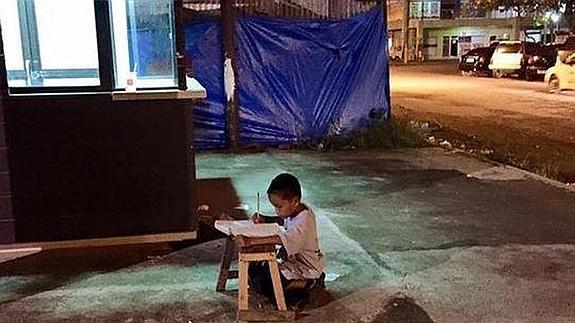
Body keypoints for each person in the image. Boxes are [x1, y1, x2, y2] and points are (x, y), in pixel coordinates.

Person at [234, 173, 326, 307]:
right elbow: (283, 220)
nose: (277, 211)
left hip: (307, 269)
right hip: (293, 263)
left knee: (271, 289)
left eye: (279, 207)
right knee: (254, 269)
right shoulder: (296, 209)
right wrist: (266, 218)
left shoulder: (304, 221)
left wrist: (250, 241)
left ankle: (310, 283)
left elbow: (280, 239)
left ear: (294, 201)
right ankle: (296, 288)